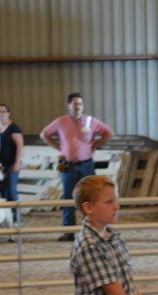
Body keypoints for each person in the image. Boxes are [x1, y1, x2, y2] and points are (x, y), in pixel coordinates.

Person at [41, 92, 114, 241]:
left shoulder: (90, 121)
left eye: (80, 104)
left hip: (86, 163)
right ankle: (69, 231)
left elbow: (109, 133)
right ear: (69, 106)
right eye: (74, 104)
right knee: (68, 199)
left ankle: (94, 228)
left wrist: (96, 145)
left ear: (83, 106)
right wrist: (59, 147)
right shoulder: (61, 121)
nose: (77, 107)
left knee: (92, 198)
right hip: (68, 165)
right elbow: (45, 134)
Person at [0, 103, 24, 223]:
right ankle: (7, 219)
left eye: (3, 111)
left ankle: (16, 219)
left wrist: (17, 163)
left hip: (12, 164)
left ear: (8, 113)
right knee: (3, 192)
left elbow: (20, 146)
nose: (1, 114)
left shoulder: (14, 128)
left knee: (12, 191)